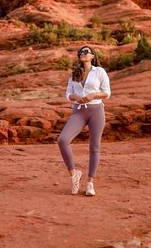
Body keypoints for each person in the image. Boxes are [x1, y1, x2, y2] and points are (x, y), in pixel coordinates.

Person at [58, 45, 111, 196]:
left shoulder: (99, 71)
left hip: (96, 110)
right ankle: (74, 175)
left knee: (94, 146)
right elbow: (68, 94)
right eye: (80, 52)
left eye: (86, 52)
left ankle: (90, 183)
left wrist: (93, 95)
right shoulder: (74, 74)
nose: (83, 53)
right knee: (63, 140)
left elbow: (107, 93)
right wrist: (74, 97)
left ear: (92, 56)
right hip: (79, 112)